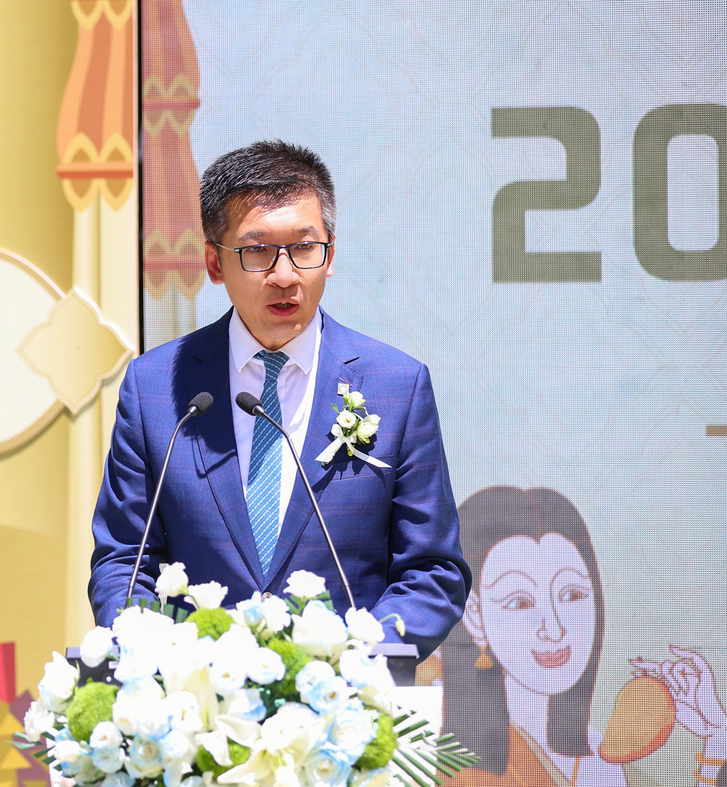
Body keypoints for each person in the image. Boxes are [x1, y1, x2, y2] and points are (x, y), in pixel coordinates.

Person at [88, 140, 469, 660]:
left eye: (305, 248)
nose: (285, 275)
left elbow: (432, 571)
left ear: (329, 255)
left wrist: (356, 663)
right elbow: (124, 562)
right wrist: (160, 663)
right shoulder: (155, 388)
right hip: (198, 695)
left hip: (343, 694)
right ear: (214, 262)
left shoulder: (397, 386)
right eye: (258, 250)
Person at [443, 486, 726, 786]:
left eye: (571, 594)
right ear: (474, 617)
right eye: (520, 602)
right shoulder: (444, 749)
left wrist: (717, 735)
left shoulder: (596, 756)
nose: (554, 629)